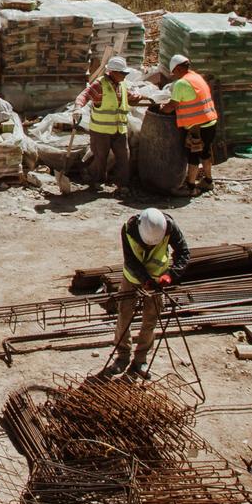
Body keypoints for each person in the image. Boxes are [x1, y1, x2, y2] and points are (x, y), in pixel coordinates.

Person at [102, 207, 190, 380]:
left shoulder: (169, 226)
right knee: (124, 316)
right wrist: (144, 280)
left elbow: (184, 254)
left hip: (158, 280)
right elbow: (131, 260)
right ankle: (122, 357)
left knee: (151, 319)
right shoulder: (129, 228)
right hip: (132, 278)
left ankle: (140, 359)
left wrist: (170, 275)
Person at [163, 53, 218, 194]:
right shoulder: (196, 77)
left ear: (178, 69)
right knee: (205, 152)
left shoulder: (181, 83)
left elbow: (172, 105)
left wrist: (162, 108)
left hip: (197, 127)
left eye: (174, 72)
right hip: (210, 121)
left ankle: (191, 187)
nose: (174, 75)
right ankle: (208, 181)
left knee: (193, 155)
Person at [80, 56, 132, 188]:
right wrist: (77, 108)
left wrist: (143, 97)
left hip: (119, 129)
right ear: (113, 72)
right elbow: (84, 95)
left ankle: (123, 185)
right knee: (100, 158)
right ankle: (97, 182)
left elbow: (129, 96)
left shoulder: (122, 84)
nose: (125, 76)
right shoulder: (99, 84)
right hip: (101, 131)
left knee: (124, 157)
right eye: (123, 73)